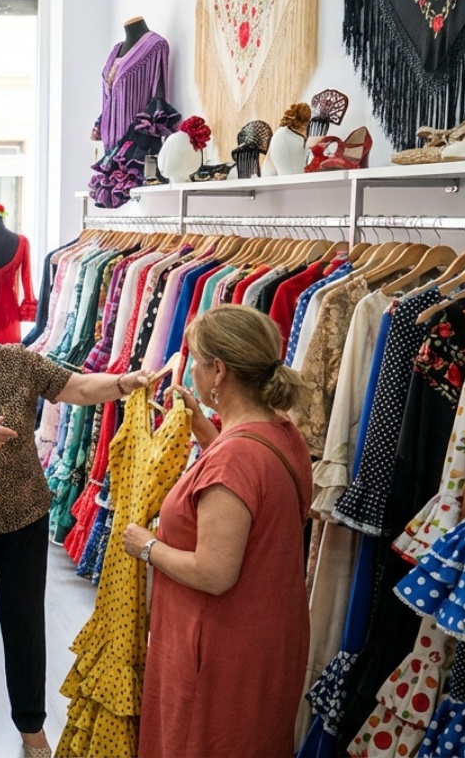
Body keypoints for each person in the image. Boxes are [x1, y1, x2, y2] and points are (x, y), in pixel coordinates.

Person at [0, 275, 153, 757]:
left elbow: (77, 386)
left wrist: (123, 383)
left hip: (23, 514)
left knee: (24, 621)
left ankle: (31, 724)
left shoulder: (18, 362)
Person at [124, 305, 312, 758]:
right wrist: (205, 430)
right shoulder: (282, 432)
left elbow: (214, 572)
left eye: (195, 359)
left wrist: (146, 546)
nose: (189, 367)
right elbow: (249, 493)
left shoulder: (235, 459)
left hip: (219, 649)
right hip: (265, 635)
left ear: (219, 371)